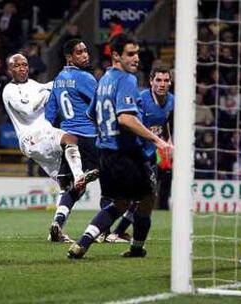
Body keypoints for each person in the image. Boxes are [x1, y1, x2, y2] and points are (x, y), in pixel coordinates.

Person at [67, 33, 173, 259]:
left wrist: (106, 132)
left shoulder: (104, 79)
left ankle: (82, 242)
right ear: (116, 55)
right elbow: (126, 119)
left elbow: (91, 114)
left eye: (137, 53)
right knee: (147, 199)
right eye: (130, 54)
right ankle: (136, 248)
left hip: (106, 152)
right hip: (125, 153)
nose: (136, 58)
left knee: (120, 204)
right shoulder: (127, 80)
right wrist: (158, 141)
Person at [2, 54, 98, 242]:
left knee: (68, 186)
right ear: (9, 70)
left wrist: (66, 77)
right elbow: (28, 109)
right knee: (70, 138)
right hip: (31, 137)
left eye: (25, 65)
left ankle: (57, 227)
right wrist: (48, 91)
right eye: (17, 66)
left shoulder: (36, 85)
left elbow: (54, 86)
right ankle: (80, 174)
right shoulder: (9, 90)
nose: (22, 68)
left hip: (43, 141)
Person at [104, 65, 174, 243]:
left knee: (142, 199)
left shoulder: (172, 101)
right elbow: (131, 123)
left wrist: (168, 141)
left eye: (166, 80)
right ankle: (107, 231)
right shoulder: (141, 99)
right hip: (136, 153)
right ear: (151, 81)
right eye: (158, 80)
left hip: (153, 154)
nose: (162, 84)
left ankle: (114, 232)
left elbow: (165, 122)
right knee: (133, 198)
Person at [45, 39, 100, 243]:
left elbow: (50, 114)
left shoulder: (58, 79)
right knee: (111, 181)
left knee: (73, 187)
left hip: (67, 140)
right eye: (80, 52)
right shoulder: (85, 77)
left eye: (86, 51)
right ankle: (104, 230)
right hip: (89, 137)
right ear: (69, 57)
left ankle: (58, 221)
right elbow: (99, 105)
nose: (85, 55)